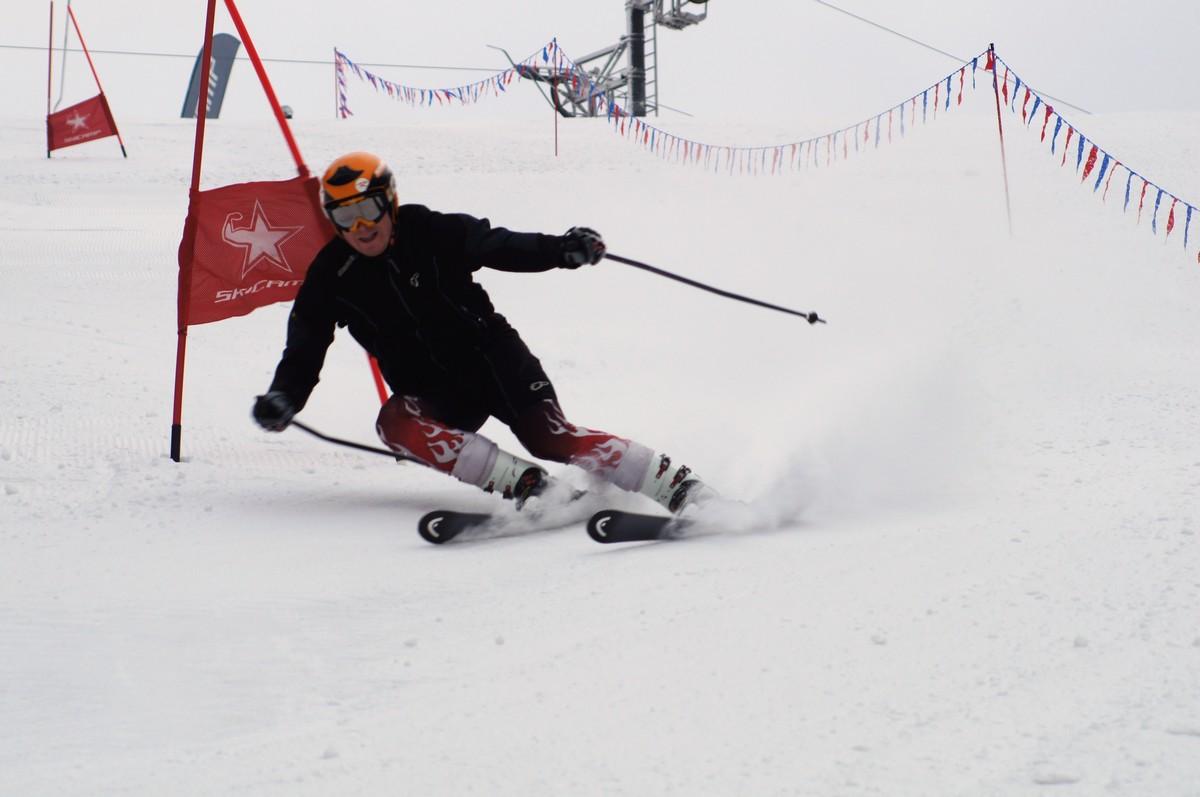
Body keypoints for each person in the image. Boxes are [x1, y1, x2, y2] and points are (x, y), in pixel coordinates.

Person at [253, 151, 710, 512]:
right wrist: (285, 397)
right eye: (346, 218)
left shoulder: (427, 229)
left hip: (495, 362)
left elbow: (498, 244)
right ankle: (528, 487)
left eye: (369, 209)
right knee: (395, 424)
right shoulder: (332, 274)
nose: (362, 227)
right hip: (434, 391)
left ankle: (680, 488)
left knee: (551, 438)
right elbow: (305, 343)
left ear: (389, 201)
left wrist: (560, 250)